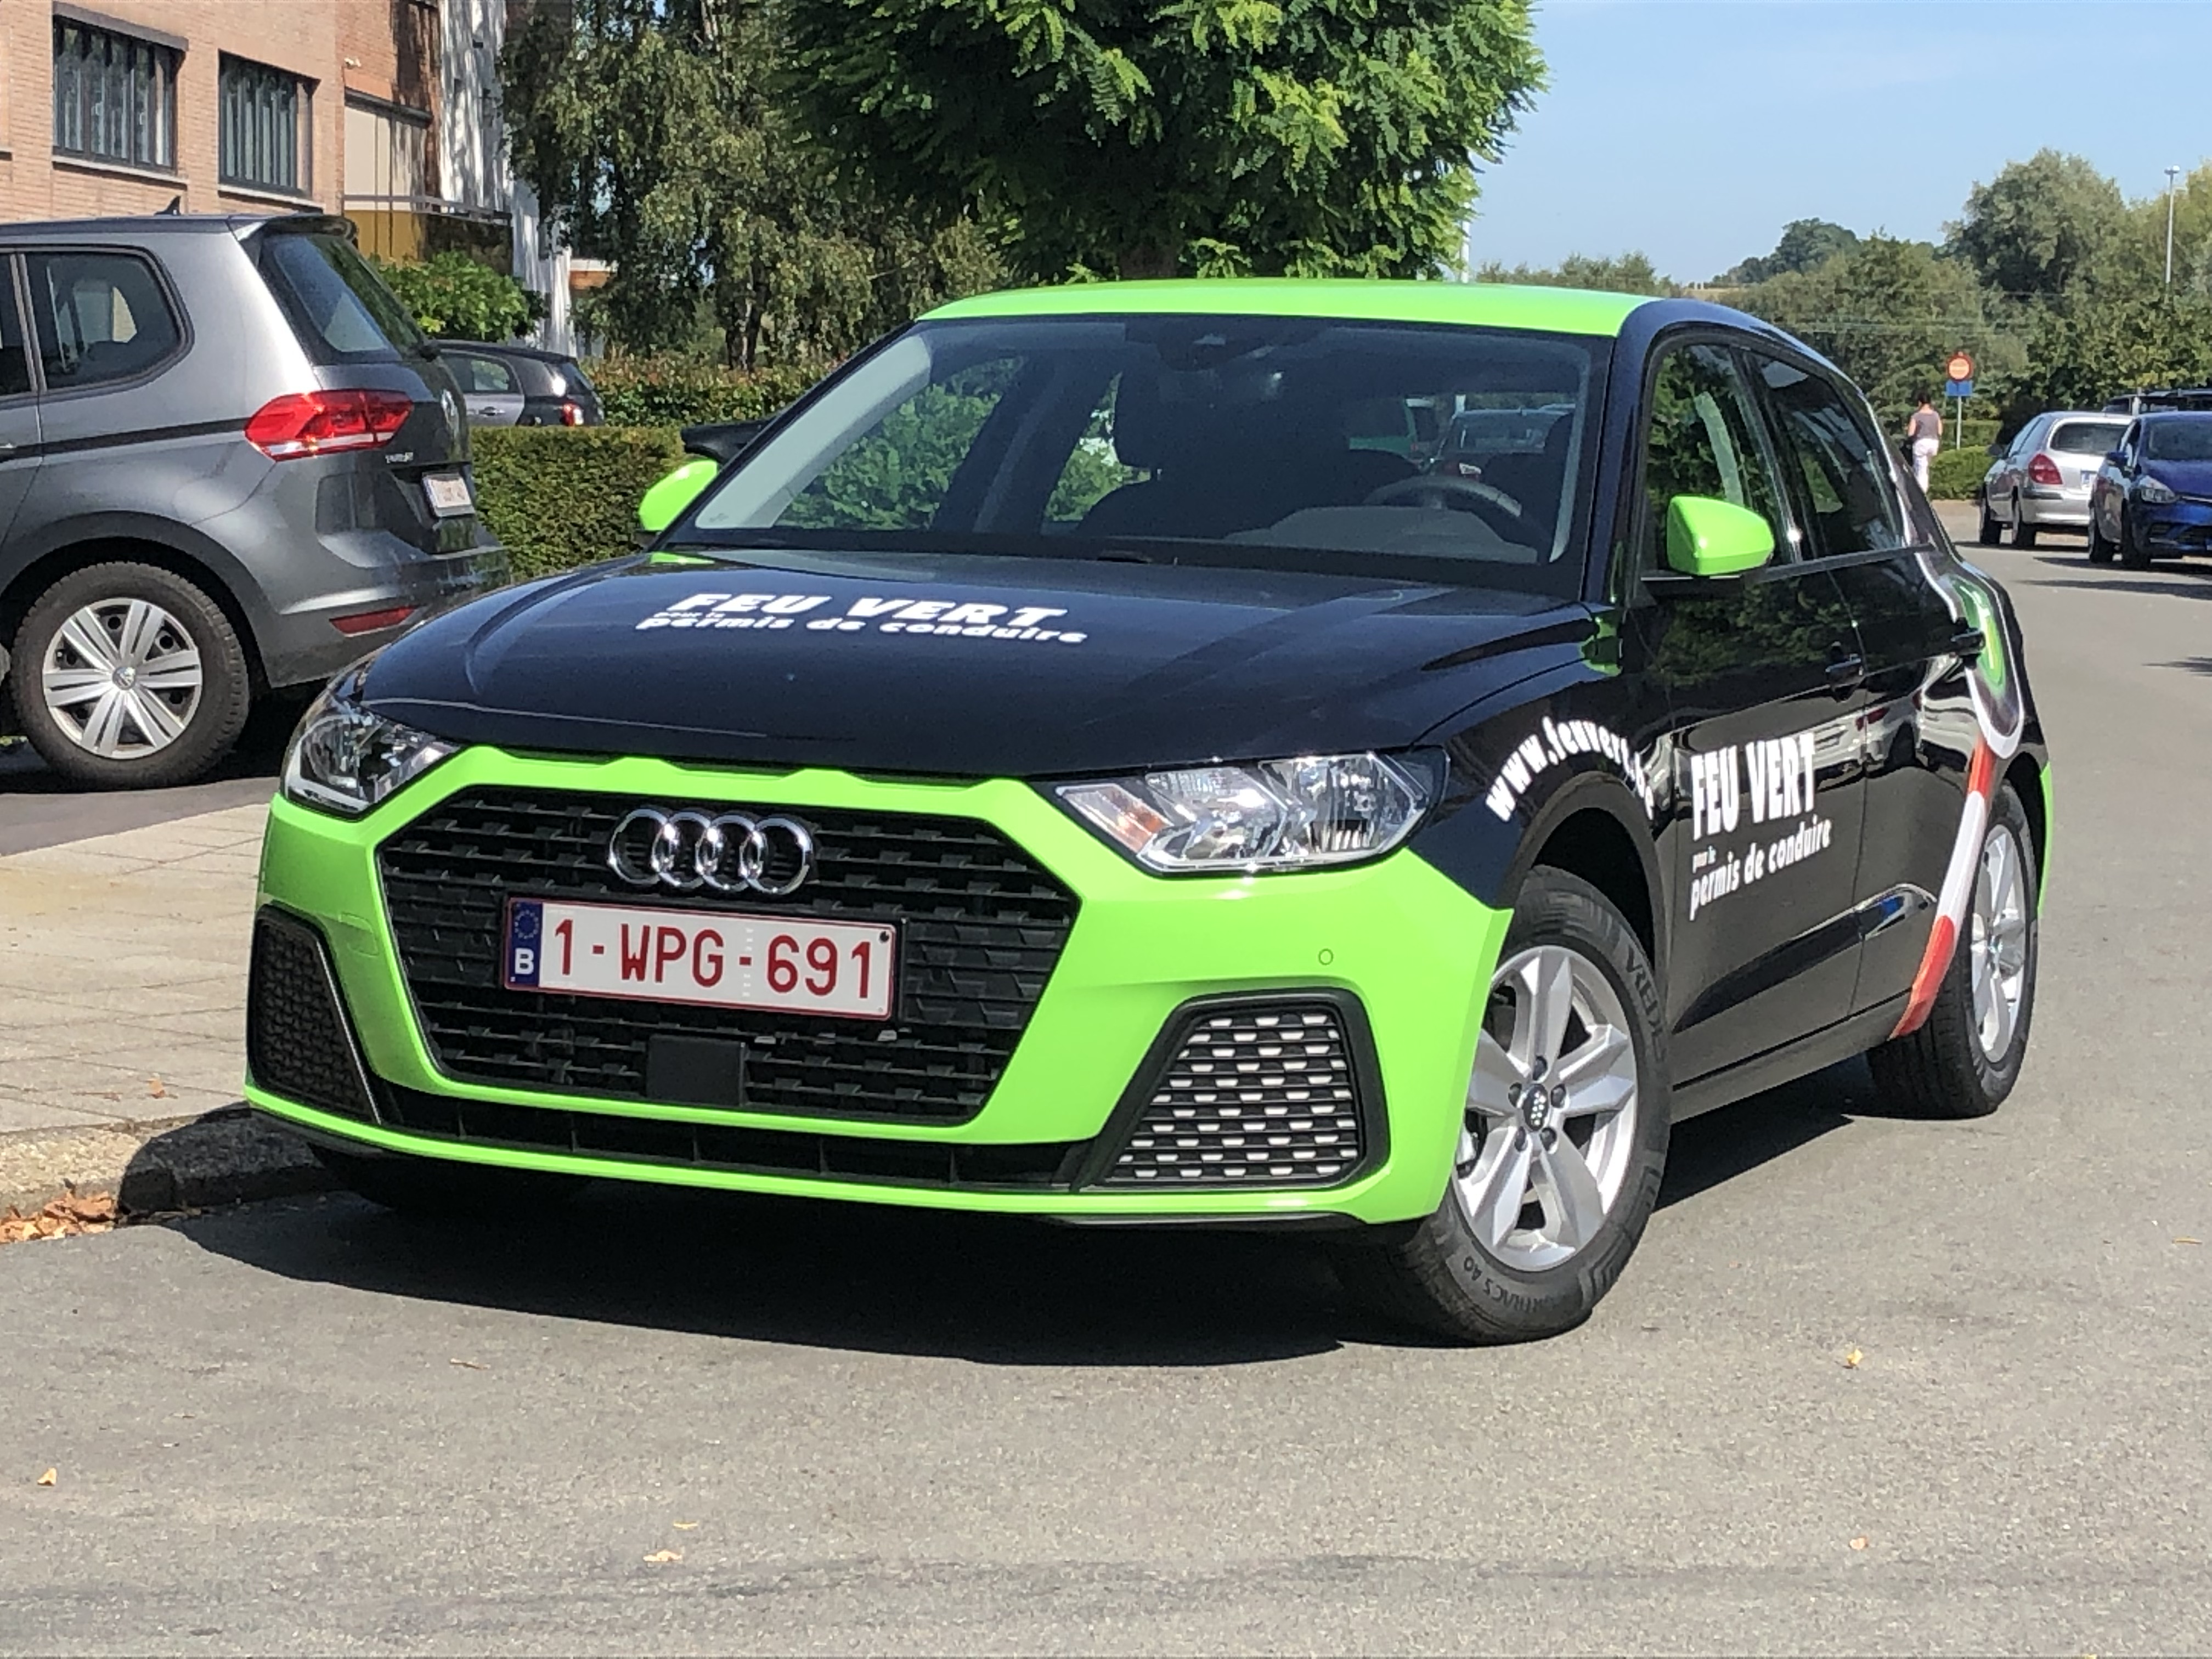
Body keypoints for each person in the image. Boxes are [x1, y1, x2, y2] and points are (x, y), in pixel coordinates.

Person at [1906, 393, 1943, 491]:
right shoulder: (1936, 415)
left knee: (1921, 470)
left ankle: (1922, 492)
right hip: (1934, 443)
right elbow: (1940, 431)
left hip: (1921, 444)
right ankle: (1922, 487)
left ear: (1920, 403)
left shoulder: (1916, 416)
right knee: (1925, 467)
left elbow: (1910, 433)